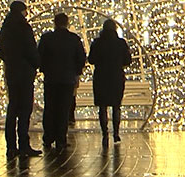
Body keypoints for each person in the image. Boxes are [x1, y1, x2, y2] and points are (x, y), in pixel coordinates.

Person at [0, 0, 41, 159]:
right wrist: (37, 64)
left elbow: (1, 51)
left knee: (12, 108)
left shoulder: (6, 27)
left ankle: (11, 146)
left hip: (11, 72)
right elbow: (30, 49)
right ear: (22, 11)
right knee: (24, 110)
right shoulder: (23, 27)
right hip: (24, 73)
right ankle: (23, 145)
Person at [38, 13, 86, 150]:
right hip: (67, 79)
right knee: (63, 109)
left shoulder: (47, 38)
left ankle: (48, 137)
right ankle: (61, 139)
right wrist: (76, 73)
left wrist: (45, 69)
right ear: (67, 23)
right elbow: (81, 58)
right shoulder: (74, 39)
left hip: (51, 79)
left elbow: (40, 56)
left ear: (54, 23)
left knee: (50, 108)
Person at [88, 19, 131, 147]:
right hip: (116, 77)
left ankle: (105, 132)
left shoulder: (97, 43)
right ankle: (116, 132)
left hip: (101, 77)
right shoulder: (121, 43)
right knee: (116, 105)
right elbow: (127, 60)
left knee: (102, 106)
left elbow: (91, 59)